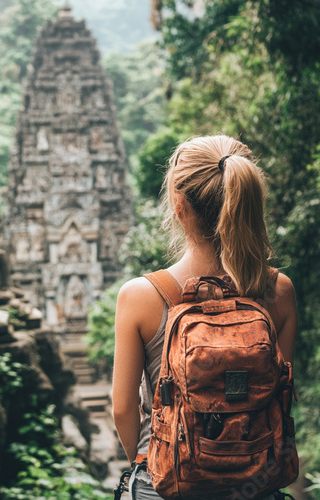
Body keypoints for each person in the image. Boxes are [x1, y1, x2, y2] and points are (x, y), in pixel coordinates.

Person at [112, 135, 298, 499]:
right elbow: (278, 395)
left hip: (167, 485)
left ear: (179, 206)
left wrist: (147, 461)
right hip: (254, 482)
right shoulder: (279, 291)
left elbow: (122, 410)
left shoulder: (140, 296)